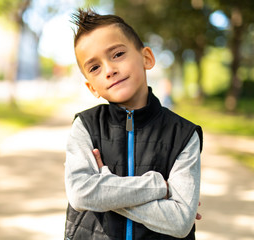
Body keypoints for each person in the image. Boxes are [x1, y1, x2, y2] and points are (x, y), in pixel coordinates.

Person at [64, 9, 203, 240]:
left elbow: (180, 221)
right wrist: (160, 187)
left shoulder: (183, 134)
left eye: (117, 54)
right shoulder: (85, 126)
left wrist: (103, 187)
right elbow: (80, 194)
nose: (109, 70)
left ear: (146, 58)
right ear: (92, 88)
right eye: (95, 67)